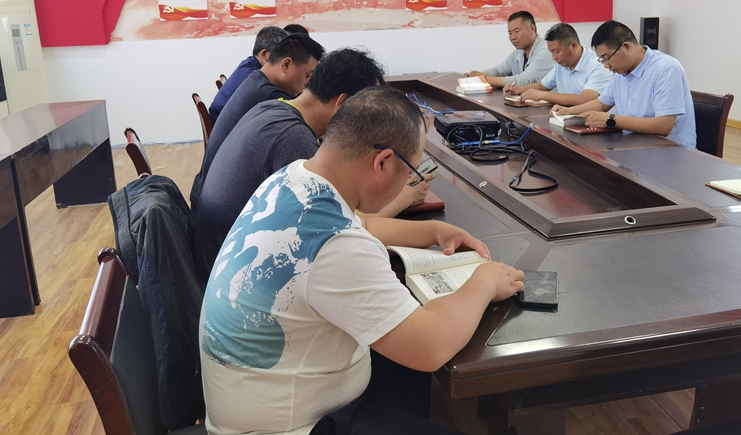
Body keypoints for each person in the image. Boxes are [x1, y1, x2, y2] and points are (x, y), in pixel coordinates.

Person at [199, 86, 525, 435]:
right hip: (296, 426)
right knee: (417, 350)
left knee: (401, 364)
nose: (410, 181)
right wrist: (485, 281)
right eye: (411, 172)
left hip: (259, 401)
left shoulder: (294, 177)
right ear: (382, 163)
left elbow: (360, 224)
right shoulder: (335, 244)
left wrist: (434, 230)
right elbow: (431, 346)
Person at [193, 49, 433, 284]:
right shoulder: (294, 140)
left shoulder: (274, 107)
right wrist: (405, 197)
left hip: (215, 257)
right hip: (230, 275)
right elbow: (347, 227)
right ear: (344, 103)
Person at [189, 34, 324, 210]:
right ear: (286, 64)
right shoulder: (271, 97)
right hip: (218, 209)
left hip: (208, 195)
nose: (307, 83)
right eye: (307, 75)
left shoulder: (256, 80)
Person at [552, 20, 696, 148]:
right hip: (634, 146)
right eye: (602, 60)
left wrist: (611, 120)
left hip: (670, 152)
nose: (606, 65)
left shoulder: (666, 69)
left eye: (607, 58)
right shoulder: (621, 71)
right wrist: (569, 111)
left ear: (626, 46)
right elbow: (602, 104)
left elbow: (664, 126)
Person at [209, 24, 309, 122]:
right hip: (228, 127)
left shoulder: (249, 64)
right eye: (283, 55)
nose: (286, 63)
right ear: (265, 54)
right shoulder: (255, 80)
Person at [504, 22, 611, 106]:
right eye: (551, 52)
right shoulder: (562, 64)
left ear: (574, 46)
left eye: (557, 51)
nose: (554, 57)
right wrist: (520, 89)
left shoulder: (598, 65)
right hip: (564, 116)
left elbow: (585, 99)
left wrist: (544, 95)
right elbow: (542, 86)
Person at [464, 10, 554, 88]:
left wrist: (482, 79)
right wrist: (480, 75)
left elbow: (523, 81)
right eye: (510, 33)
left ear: (532, 29)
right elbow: (499, 71)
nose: (513, 37)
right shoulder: (518, 51)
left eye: (516, 31)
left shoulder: (546, 50)